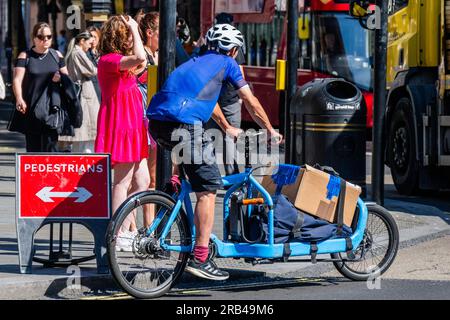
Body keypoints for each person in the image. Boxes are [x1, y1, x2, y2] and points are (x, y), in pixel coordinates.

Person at [147, 24, 283, 280]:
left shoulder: (195, 61)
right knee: (208, 189)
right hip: (184, 123)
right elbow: (251, 102)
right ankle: (200, 257)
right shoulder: (228, 63)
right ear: (232, 50)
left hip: (158, 122)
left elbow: (207, 102)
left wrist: (227, 127)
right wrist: (269, 130)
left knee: (190, 160)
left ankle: (175, 185)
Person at [95, 15, 150, 251]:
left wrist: (134, 31)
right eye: (127, 35)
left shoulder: (120, 63)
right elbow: (140, 57)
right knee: (122, 182)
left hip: (133, 125)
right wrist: (136, 29)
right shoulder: (109, 60)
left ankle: (127, 229)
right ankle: (115, 234)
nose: (131, 39)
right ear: (120, 37)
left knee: (143, 181)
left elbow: (143, 61)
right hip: (121, 125)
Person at [12, 22, 69, 152]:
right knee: (33, 148)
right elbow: (17, 79)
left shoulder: (57, 55)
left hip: (52, 109)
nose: (46, 40)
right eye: (41, 37)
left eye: (49, 36)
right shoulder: (25, 56)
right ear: (34, 38)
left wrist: (61, 78)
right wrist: (19, 98)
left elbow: (67, 79)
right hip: (31, 108)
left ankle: (50, 173)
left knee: (51, 149)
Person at [206, 12, 247, 176]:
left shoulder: (207, 46)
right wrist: (242, 96)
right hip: (229, 101)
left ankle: (210, 176)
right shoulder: (233, 45)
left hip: (212, 100)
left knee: (210, 140)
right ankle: (233, 179)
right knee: (229, 142)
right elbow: (240, 71)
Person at [59, 31, 100, 153]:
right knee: (86, 133)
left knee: (82, 136)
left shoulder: (75, 52)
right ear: (82, 41)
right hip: (84, 94)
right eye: (88, 42)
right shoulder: (78, 53)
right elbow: (92, 70)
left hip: (83, 92)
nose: (89, 46)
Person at [86, 26, 101, 102]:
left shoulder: (103, 53)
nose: (93, 40)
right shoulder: (85, 54)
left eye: (95, 37)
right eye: (91, 37)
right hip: (92, 91)